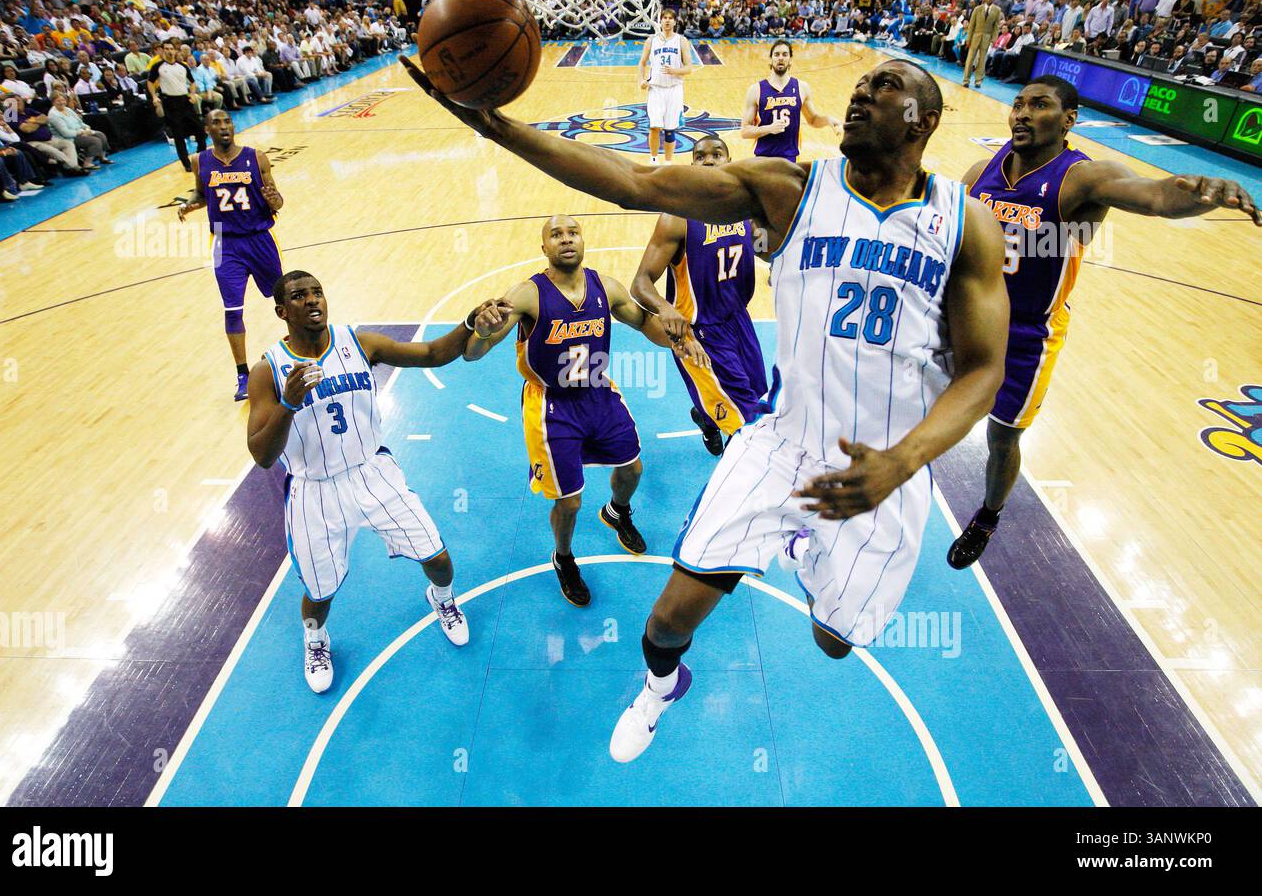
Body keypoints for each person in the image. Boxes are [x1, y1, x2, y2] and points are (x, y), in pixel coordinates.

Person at [400, 54, 1011, 764]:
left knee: (835, 644)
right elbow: (635, 181)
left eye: (885, 89)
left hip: (886, 469)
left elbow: (985, 372)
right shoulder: (789, 189)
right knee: (664, 624)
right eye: (860, 85)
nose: (862, 95)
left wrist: (902, 461)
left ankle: (803, 550)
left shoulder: (964, 226)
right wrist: (497, 127)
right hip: (781, 446)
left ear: (925, 120)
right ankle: (660, 691)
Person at [946, 76, 1260, 569]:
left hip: (1028, 335)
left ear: (1069, 120)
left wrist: (1204, 194)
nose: (1023, 114)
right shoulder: (979, 171)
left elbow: (1155, 196)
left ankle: (987, 517)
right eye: (1019, 104)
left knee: (1002, 438)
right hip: (968, 320)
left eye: (1040, 105)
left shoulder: (1082, 179)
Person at [248, 272, 509, 692]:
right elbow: (262, 455)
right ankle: (316, 640)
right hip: (314, 491)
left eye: (317, 292)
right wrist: (287, 403)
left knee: (437, 557)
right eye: (299, 296)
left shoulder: (359, 343)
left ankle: (442, 601)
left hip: (372, 472)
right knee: (320, 593)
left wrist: (468, 323)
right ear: (282, 312)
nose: (312, 300)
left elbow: (430, 354)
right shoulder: (268, 370)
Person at [464, 215, 709, 607]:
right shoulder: (528, 294)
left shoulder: (605, 287)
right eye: (556, 235)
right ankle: (563, 558)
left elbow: (645, 323)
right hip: (551, 406)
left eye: (572, 233)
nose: (566, 240)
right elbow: (475, 354)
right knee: (570, 501)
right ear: (543, 247)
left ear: (583, 241)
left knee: (632, 469)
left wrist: (680, 339)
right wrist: (480, 330)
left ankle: (617, 512)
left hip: (598, 393)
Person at [630, 137, 767, 455]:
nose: (708, 160)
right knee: (748, 431)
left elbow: (764, 250)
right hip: (698, 335)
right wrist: (664, 309)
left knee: (760, 403)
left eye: (716, 154)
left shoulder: (744, 211)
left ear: (729, 162)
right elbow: (641, 282)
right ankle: (737, 502)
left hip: (739, 323)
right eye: (699, 156)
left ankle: (705, 415)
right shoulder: (676, 217)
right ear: (691, 165)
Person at [178, 109, 284, 401]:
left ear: (233, 126)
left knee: (285, 299)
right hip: (226, 244)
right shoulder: (200, 161)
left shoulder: (256, 157)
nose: (223, 127)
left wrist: (277, 199)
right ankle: (242, 375)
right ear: (207, 129)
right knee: (232, 310)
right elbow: (201, 195)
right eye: (216, 123)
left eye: (227, 121)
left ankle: (299, 351)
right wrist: (189, 204)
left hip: (260, 238)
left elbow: (277, 198)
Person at [741, 39, 841, 163]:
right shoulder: (756, 89)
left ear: (790, 60)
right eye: (776, 54)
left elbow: (813, 120)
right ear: (771, 59)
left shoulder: (802, 87)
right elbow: (745, 131)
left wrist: (828, 120)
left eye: (785, 54)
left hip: (789, 158)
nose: (780, 58)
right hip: (763, 158)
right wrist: (769, 128)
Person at [637, 9, 692, 164]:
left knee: (670, 130)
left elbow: (689, 68)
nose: (667, 21)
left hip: (674, 89)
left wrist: (674, 71)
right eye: (664, 18)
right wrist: (641, 80)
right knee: (654, 127)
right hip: (656, 88)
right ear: (660, 21)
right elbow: (642, 63)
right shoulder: (651, 40)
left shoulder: (681, 41)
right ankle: (653, 160)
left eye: (670, 18)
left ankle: (668, 163)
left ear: (675, 22)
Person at [147, 41, 206, 172]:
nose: (169, 51)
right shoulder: (158, 67)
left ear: (175, 51)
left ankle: (200, 157)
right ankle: (186, 163)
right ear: (162, 51)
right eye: (166, 49)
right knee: (178, 136)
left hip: (185, 100)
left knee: (201, 131)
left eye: (171, 49)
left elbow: (192, 82)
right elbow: (150, 82)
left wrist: (192, 94)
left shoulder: (182, 66)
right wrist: (154, 97)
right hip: (170, 102)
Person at [963, 0, 1004, 88]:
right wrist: (968, 39)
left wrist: (994, 39)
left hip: (987, 37)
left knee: (982, 61)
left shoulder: (997, 10)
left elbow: (996, 26)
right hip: (975, 36)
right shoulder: (977, 9)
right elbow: (971, 25)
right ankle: (966, 80)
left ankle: (978, 81)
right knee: (970, 59)